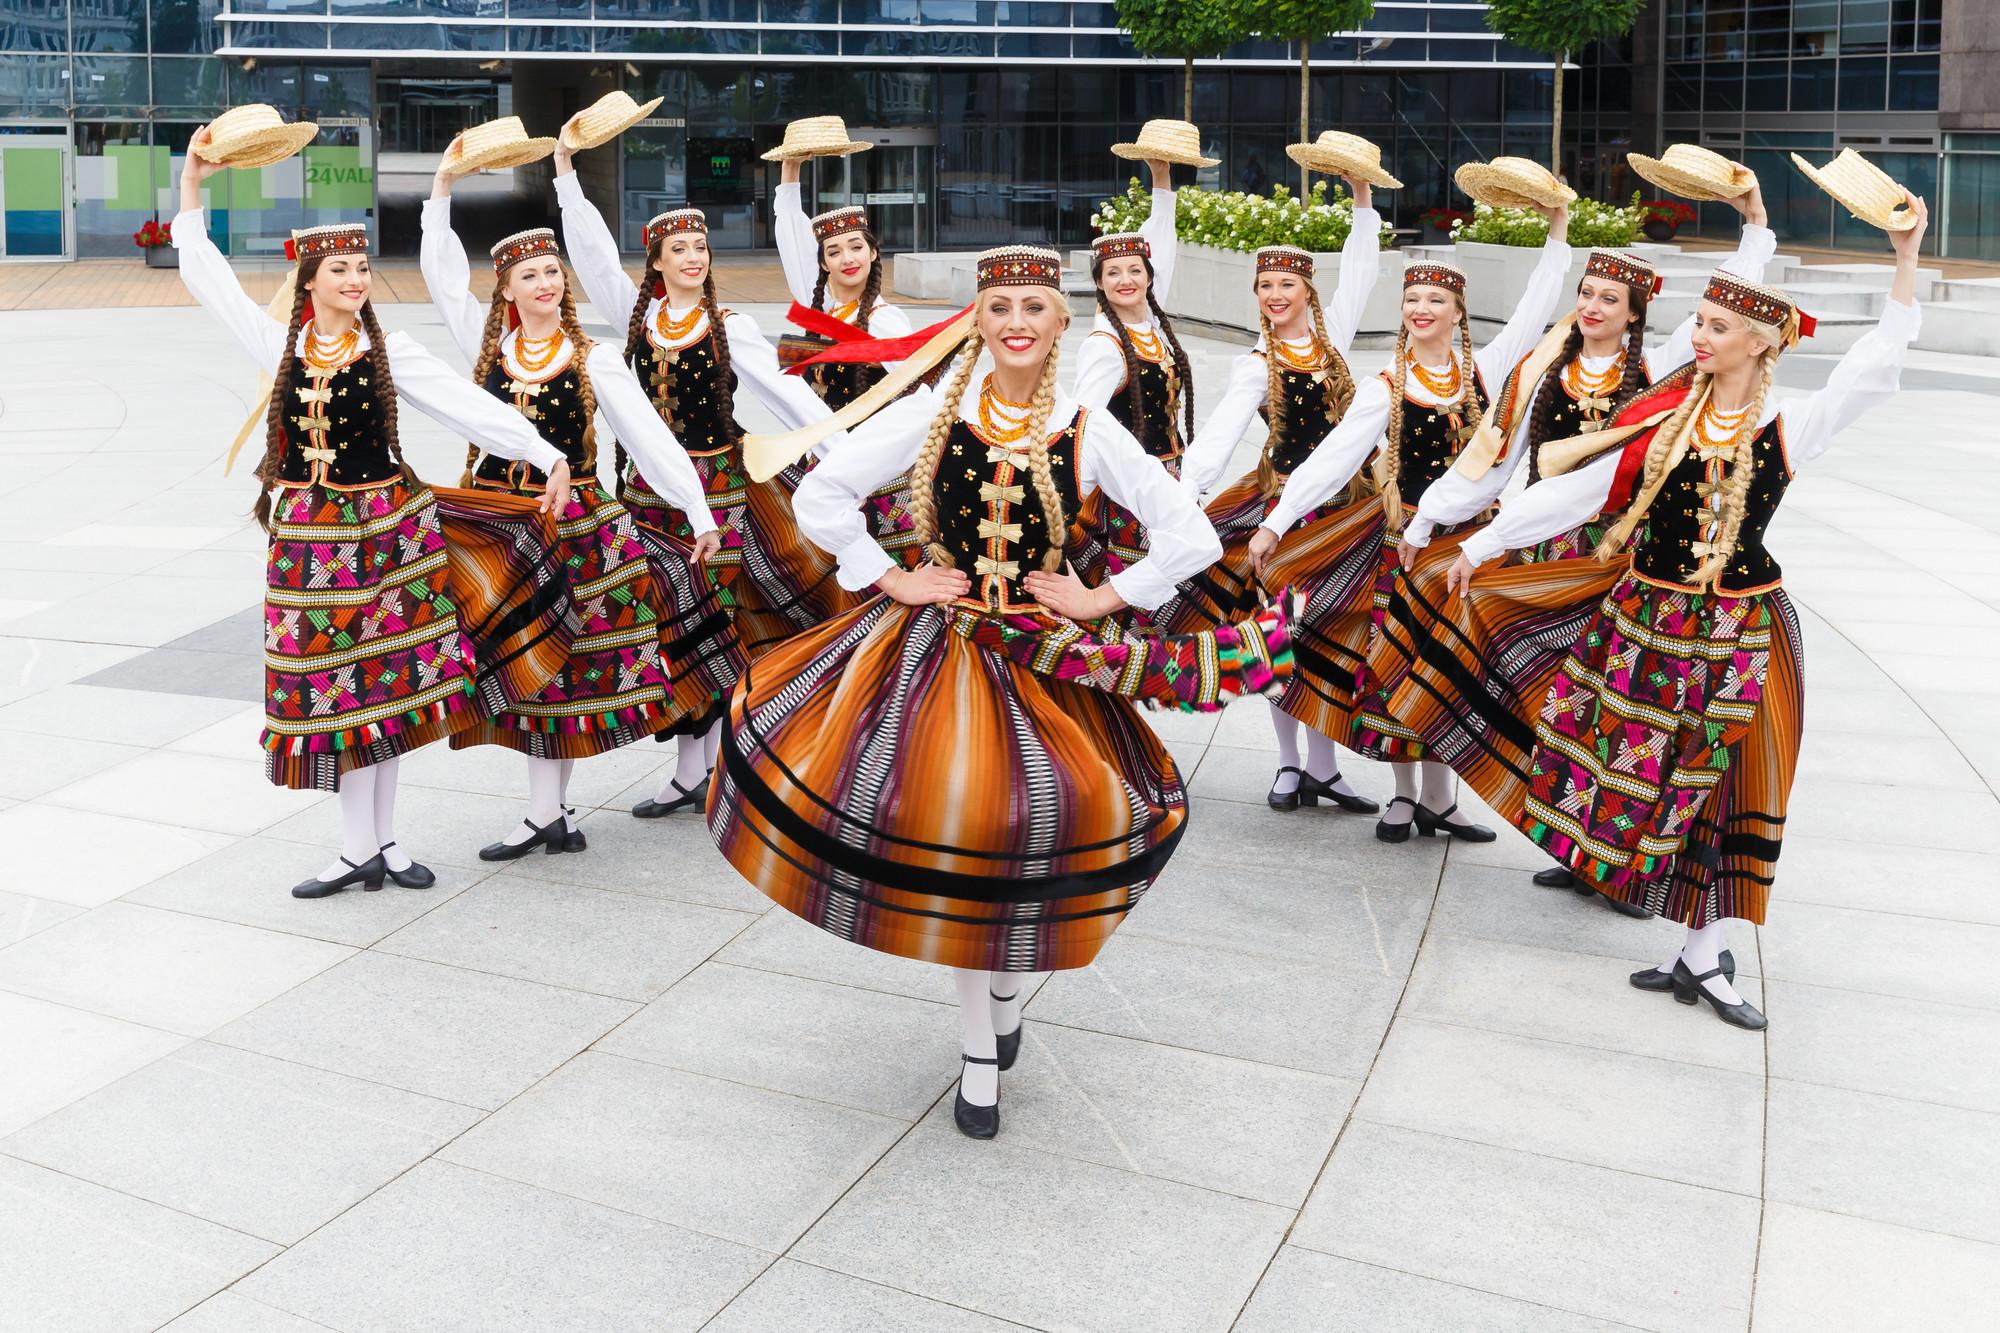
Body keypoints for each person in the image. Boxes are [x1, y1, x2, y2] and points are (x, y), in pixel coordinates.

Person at [707, 246, 1291, 1139]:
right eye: (1000, 307)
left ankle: (1007, 982)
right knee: (966, 835)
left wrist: (1102, 597)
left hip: (1044, 659)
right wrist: (890, 576)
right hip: (936, 652)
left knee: (1042, 824)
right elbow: (823, 494)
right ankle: (979, 1052)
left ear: (1061, 323)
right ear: (976, 321)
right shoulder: (934, 414)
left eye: (1035, 307)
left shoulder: (1088, 428)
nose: (1017, 322)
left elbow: (1191, 538)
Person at [1441, 197, 1929, 1029]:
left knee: (1725, 784)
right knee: (1643, 775)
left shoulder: (1784, 426)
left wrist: (1906, 258)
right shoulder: (1665, 420)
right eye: (1698, 322)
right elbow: (1579, 491)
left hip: (1737, 633)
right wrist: (1484, 544)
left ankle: (1703, 954)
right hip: (1647, 626)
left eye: (1716, 326)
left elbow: (1871, 368)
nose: (1698, 336)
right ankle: (1689, 946)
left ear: (1759, 342)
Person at [174, 126, 573, 898]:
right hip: (310, 541)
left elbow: (462, 402)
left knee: (383, 690)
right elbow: (211, 280)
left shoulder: (389, 353)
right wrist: (190, 184)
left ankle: (378, 844)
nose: (356, 278)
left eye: (361, 267)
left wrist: (541, 450)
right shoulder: (280, 346)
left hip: (387, 532)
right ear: (309, 280)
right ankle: (365, 845)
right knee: (336, 692)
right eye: (341, 269)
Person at [1370, 186, 1774, 913]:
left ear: (1634, 313)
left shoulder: (1656, 375)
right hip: (1541, 550)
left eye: (1609, 298)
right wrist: (1430, 522)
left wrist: (1755, 232)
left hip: (1614, 558)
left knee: (1620, 715)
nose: (1592, 306)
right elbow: (1497, 458)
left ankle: (1618, 862)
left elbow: (1725, 316)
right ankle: (1570, 843)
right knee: (1560, 709)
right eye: (1586, 293)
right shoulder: (1542, 369)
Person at [420, 152, 722, 860]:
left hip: (572, 525)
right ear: (506, 289)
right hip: (501, 521)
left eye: (553, 271)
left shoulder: (595, 357)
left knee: (556, 671)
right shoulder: (488, 347)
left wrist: (698, 512)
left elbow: (648, 437)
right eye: (530, 275)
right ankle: (547, 813)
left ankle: (546, 813)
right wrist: (441, 190)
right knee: (518, 669)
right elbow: (442, 279)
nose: (546, 283)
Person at [1243, 201, 1571, 834]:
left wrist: (1557, 232)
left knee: (1453, 668)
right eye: (1412, 299)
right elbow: (1335, 459)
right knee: (1401, 665)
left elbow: (1535, 309)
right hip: (1408, 545)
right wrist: (1278, 521)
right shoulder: (1385, 385)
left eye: (1435, 300)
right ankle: (1403, 795)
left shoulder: (1485, 370)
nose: (1421, 308)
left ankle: (1439, 799)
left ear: (1458, 312)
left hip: (1470, 544)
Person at [552, 129, 849, 820]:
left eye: (701, 248)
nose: (693, 258)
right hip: (645, 493)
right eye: (680, 249)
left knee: (711, 620)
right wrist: (565, 171)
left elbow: (789, 395)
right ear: (656, 262)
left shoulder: (728, 325)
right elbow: (592, 255)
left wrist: (842, 456)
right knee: (669, 622)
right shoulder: (639, 317)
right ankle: (698, 766)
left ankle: (707, 767)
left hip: (717, 490)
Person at [1170, 181, 1383, 810]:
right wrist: (1186, 494)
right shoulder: (1254, 364)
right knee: (1281, 637)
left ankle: (1324, 767)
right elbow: (1220, 434)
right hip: (1290, 513)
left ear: (1308, 291)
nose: (1274, 294)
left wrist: (1363, 202)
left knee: (1337, 635)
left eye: (1286, 284)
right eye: (1265, 285)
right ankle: (1292, 766)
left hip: (1352, 510)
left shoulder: (1332, 336)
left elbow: (1361, 273)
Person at [1069, 154, 1191, 591]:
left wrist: (1161, 179)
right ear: (1099, 283)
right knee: (1144, 586)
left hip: (1173, 476)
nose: (1126, 280)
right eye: (1113, 273)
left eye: (1135, 270)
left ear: (1149, 278)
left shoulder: (1151, 327)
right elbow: (1081, 425)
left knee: (1178, 576)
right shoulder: (1105, 346)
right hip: (1131, 490)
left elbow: (1163, 244)